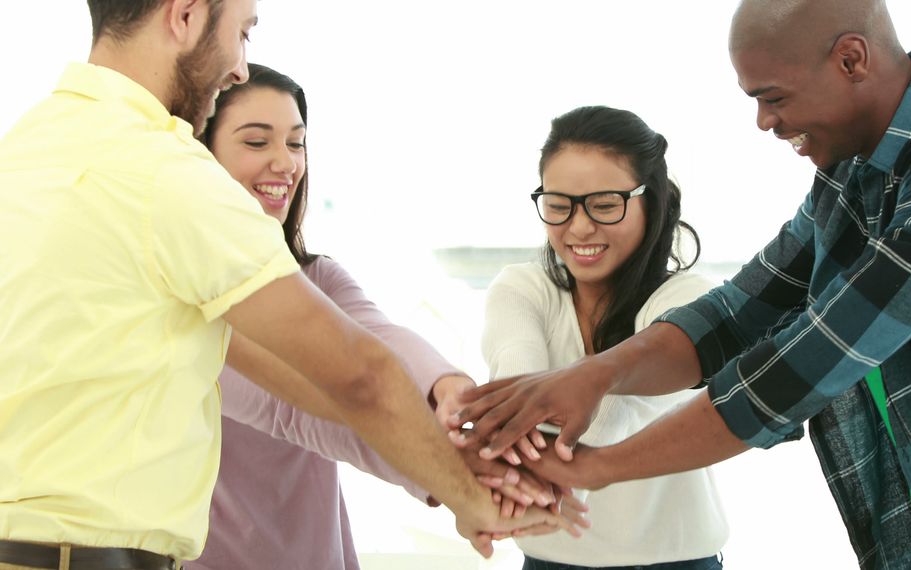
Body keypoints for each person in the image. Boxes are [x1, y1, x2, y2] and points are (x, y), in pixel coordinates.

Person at [453, 0, 911, 568]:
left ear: (851, 58)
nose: (763, 122)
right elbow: (736, 312)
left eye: (773, 97)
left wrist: (598, 468)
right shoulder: (848, 177)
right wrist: (593, 376)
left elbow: (812, 358)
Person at [0, 1, 570, 567]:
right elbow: (354, 379)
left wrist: (449, 400)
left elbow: (319, 373)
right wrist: (471, 497)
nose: (240, 66)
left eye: (295, 142)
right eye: (242, 32)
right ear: (185, 15)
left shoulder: (26, 151)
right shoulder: (164, 173)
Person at [182, 62, 534, 570]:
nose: (285, 162)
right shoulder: (184, 294)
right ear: (204, 155)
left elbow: (381, 338)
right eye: (257, 142)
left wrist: (449, 388)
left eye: (296, 143)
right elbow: (305, 411)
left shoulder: (316, 277)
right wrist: (456, 484)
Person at [481, 105, 726, 570]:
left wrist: (527, 454)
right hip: (549, 561)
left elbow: (612, 414)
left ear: (650, 201)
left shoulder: (687, 298)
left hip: (680, 562)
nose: (579, 227)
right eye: (558, 204)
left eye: (605, 204)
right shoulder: (521, 289)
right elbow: (515, 389)